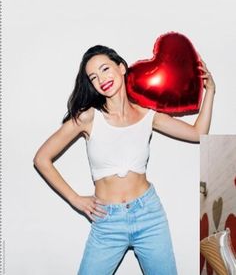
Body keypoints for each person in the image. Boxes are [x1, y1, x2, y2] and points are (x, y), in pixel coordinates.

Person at [33, 45, 215, 275]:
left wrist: (210, 92)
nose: (101, 79)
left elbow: (198, 133)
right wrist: (75, 199)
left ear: (121, 68)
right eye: (94, 77)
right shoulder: (89, 117)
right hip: (107, 221)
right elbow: (41, 158)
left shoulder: (148, 114)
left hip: (149, 215)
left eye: (105, 69)